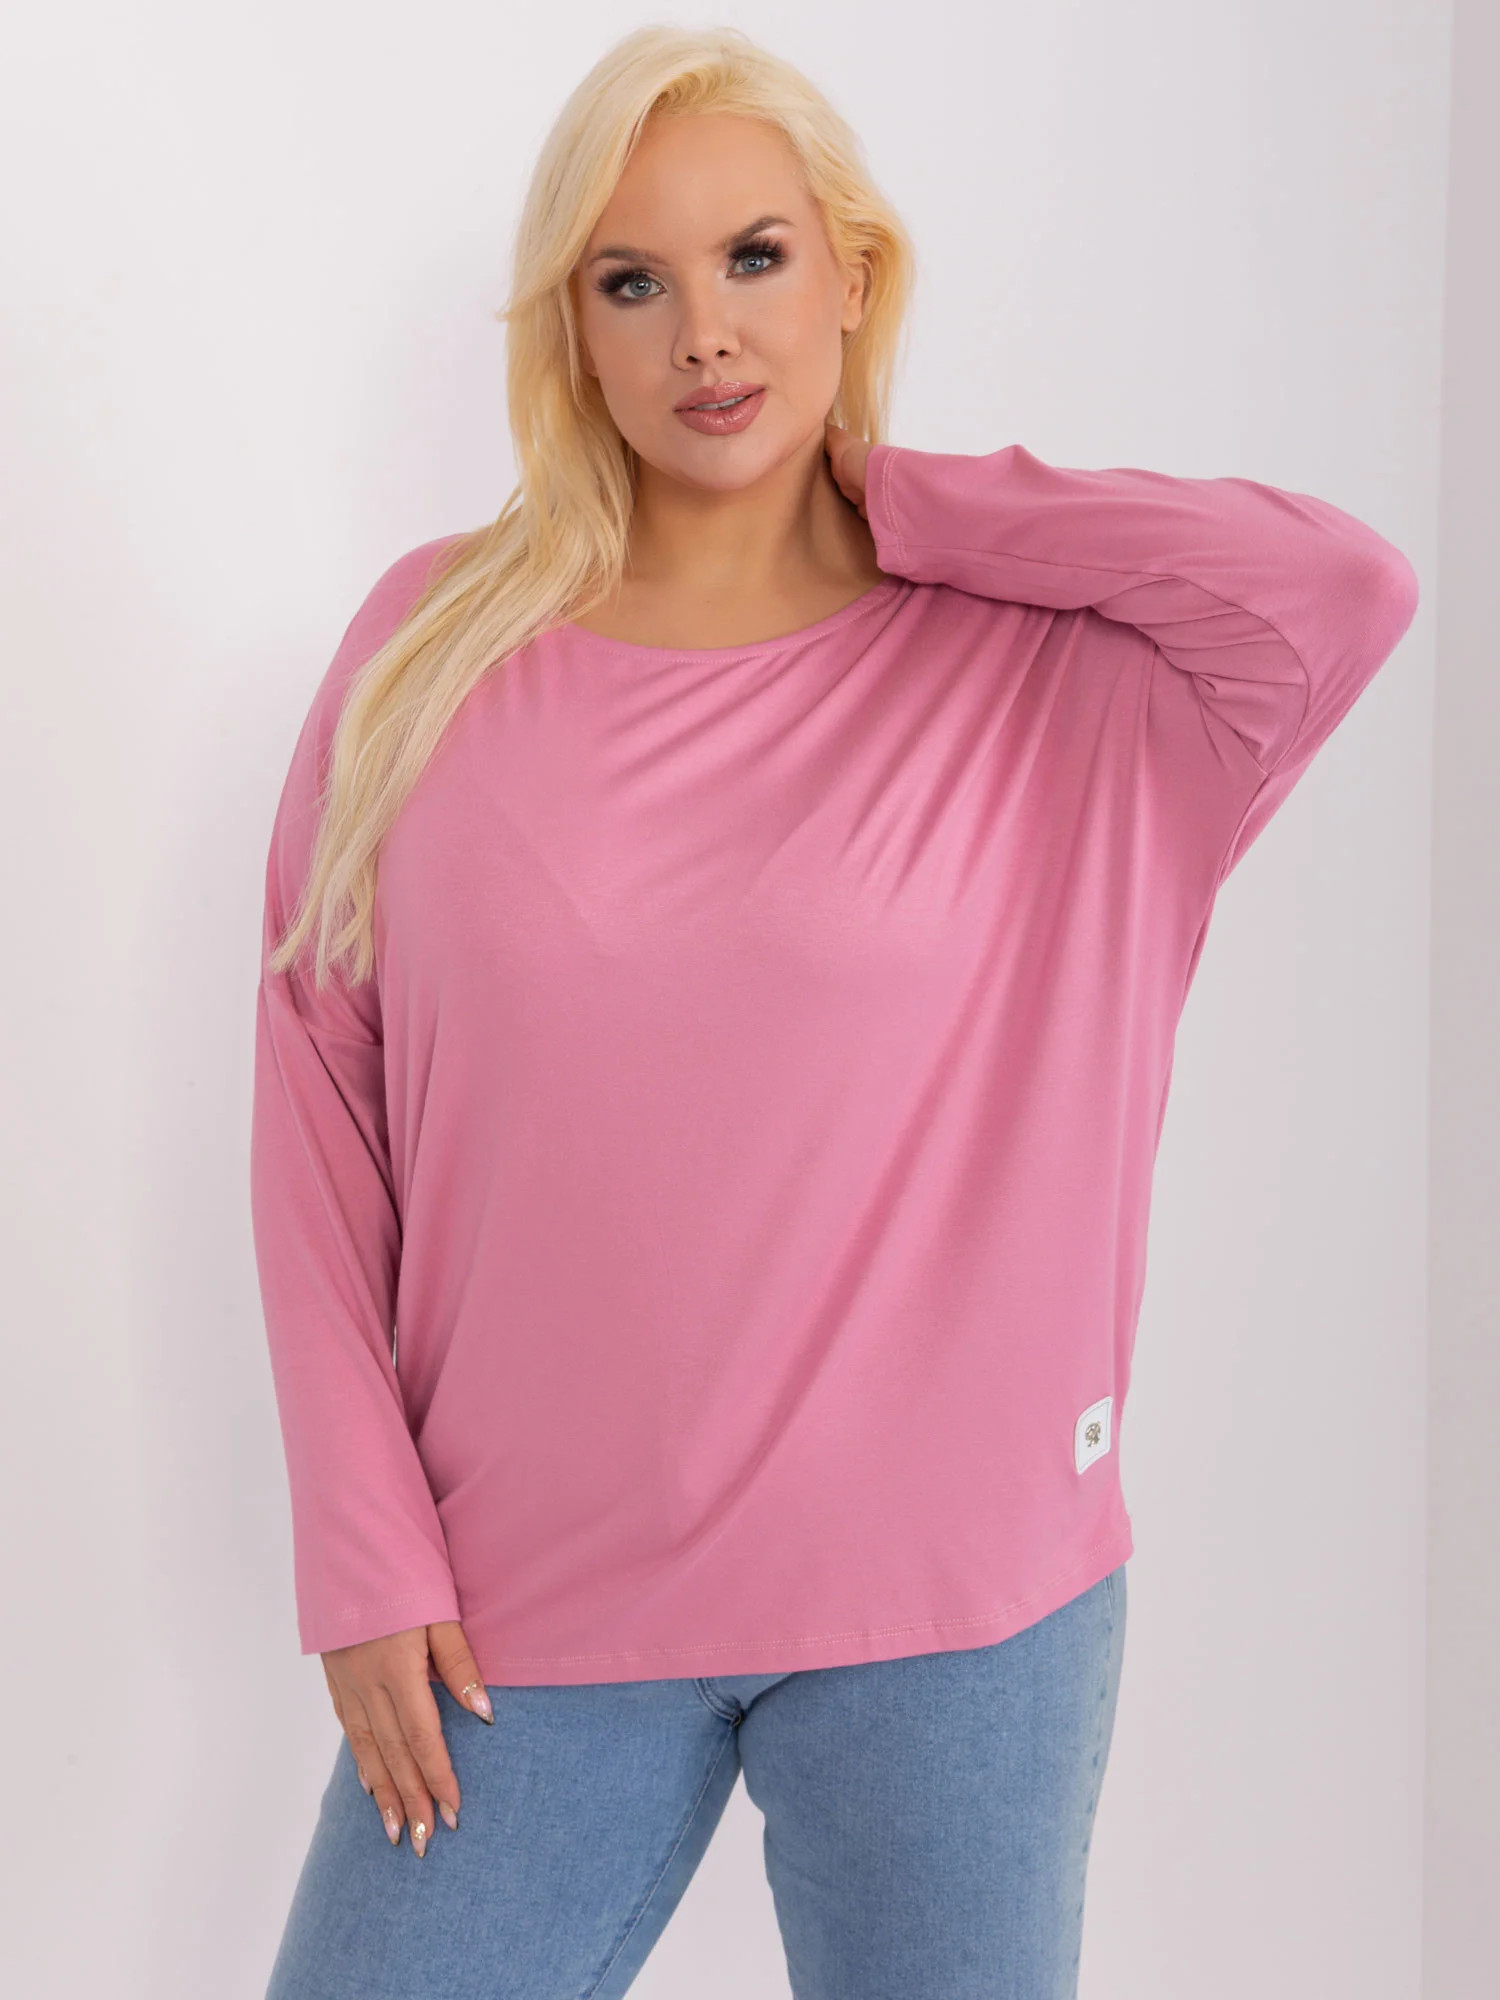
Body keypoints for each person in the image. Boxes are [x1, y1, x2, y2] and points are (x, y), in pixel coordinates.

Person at [250, 23, 1419, 2000]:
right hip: (514, 1604)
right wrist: (361, 1546)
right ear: (575, 333)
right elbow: (315, 1106)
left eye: (757, 258)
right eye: (634, 282)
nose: (706, 332)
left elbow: (1343, 587)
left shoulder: (1058, 681)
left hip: (957, 1607)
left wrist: (905, 500)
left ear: (853, 275)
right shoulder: (427, 653)